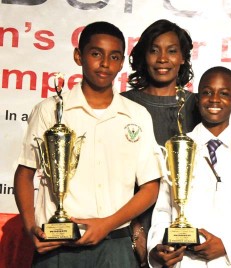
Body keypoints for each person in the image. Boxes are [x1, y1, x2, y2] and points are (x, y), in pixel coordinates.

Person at [13, 21, 163, 268]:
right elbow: (24, 173)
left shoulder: (137, 115)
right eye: (96, 54)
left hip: (115, 244)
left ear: (121, 62)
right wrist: (30, 228)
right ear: (78, 56)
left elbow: (150, 187)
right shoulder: (49, 110)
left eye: (114, 57)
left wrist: (108, 222)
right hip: (57, 247)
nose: (105, 63)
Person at [147, 66, 231, 267]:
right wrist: (158, 248)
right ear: (196, 99)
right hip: (185, 262)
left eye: (224, 93)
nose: (214, 99)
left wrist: (228, 247)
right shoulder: (178, 149)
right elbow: (162, 210)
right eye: (207, 92)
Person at [121, 19, 201, 267]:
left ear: (184, 58)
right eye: (154, 50)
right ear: (144, 56)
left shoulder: (201, 107)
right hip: (125, 230)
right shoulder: (122, 105)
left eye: (172, 50)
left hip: (183, 238)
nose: (162, 58)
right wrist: (136, 233)